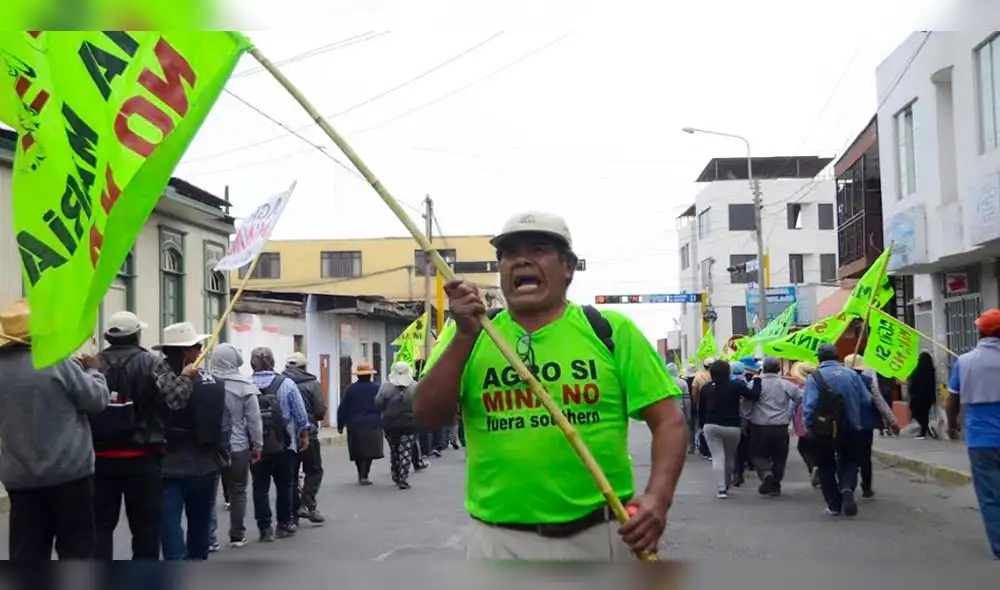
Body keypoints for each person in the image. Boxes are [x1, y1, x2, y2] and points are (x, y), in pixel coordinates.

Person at [414, 211, 687, 561]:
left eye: (538, 249)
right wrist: (465, 335)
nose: (521, 260)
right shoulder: (468, 333)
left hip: (599, 538)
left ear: (569, 267)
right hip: (498, 545)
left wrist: (658, 499)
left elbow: (669, 421)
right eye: (509, 254)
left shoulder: (611, 331)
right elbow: (427, 416)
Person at [0, 299, 110, 561]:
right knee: (77, 550)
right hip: (69, 474)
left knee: (27, 553)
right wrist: (94, 371)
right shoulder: (56, 362)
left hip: (20, 477)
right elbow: (97, 400)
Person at [92, 311, 195, 560]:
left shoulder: (94, 363)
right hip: (144, 456)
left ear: (108, 337)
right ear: (137, 335)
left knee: (100, 527)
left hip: (100, 458)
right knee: (146, 529)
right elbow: (176, 399)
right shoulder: (151, 362)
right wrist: (186, 378)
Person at [155, 323, 230, 560]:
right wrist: (224, 453)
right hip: (204, 463)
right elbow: (224, 422)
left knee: (168, 521)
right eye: (197, 346)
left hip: (165, 462)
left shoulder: (154, 380)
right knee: (200, 523)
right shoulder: (210, 382)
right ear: (186, 352)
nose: (200, 351)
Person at [946, 309, 1000, 560]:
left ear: (980, 331)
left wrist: (951, 425)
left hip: (981, 440)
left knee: (990, 496)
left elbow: (951, 399)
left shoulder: (965, 361)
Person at [249, 347, 312, 541]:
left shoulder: (247, 384)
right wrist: (304, 435)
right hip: (284, 443)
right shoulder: (287, 384)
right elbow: (300, 415)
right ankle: (283, 524)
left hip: (256, 445)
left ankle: (264, 528)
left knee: (260, 486)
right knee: (285, 484)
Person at [802, 343, 870, 518]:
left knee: (826, 466)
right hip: (851, 426)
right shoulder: (852, 374)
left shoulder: (815, 377)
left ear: (819, 358)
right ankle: (847, 488)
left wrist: (808, 426)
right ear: (836, 356)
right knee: (849, 461)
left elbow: (809, 406)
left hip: (824, 429)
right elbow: (866, 400)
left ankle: (834, 505)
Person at [209, 344, 263, 548]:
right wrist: (257, 445)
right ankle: (237, 535)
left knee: (210, 491)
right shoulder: (244, 386)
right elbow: (254, 420)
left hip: (211, 446)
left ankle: (210, 538)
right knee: (238, 491)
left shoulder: (205, 382)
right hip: (238, 446)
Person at [698, 360, 759, 498]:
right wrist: (757, 380)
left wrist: (702, 425)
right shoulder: (735, 386)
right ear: (728, 372)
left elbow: (700, 409)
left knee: (717, 457)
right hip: (732, 426)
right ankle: (727, 483)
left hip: (711, 425)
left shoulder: (706, 388)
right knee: (730, 457)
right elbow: (754, 395)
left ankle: (721, 489)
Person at [844, 354, 899, 499]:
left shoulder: (842, 381)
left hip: (847, 425)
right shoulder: (868, 382)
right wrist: (892, 421)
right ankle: (866, 488)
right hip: (865, 426)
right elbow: (880, 403)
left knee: (849, 456)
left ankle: (848, 485)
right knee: (865, 457)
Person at [283, 352, 327, 525]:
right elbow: (320, 410)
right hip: (309, 433)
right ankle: (307, 505)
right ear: (304, 367)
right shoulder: (312, 384)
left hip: (286, 436)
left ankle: (293, 513)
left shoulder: (280, 382)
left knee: (291, 475)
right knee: (314, 470)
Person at [747, 357, 801, 497]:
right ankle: (776, 485)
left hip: (759, 425)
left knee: (757, 454)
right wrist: (789, 413)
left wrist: (746, 417)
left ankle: (765, 473)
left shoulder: (754, 384)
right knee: (779, 457)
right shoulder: (786, 384)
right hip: (780, 426)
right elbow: (799, 399)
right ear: (778, 369)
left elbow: (747, 404)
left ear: (763, 368)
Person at [336, 362, 384, 485]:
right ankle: (365, 474)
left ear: (358, 376)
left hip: (355, 424)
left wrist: (340, 424)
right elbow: (382, 406)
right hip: (372, 424)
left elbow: (343, 408)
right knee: (370, 451)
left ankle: (361, 473)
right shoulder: (377, 388)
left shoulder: (350, 389)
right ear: (370, 375)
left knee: (358, 451)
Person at [375, 362, 421, 489]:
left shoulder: (386, 387)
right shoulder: (415, 387)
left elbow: (378, 404)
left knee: (394, 450)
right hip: (409, 424)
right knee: (406, 450)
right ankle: (403, 477)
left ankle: (395, 473)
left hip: (390, 424)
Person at [789, 362, 820, 487]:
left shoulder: (800, 388)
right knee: (816, 446)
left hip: (804, 419)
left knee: (803, 447)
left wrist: (790, 424)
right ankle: (817, 467)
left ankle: (813, 467)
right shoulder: (819, 385)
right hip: (819, 419)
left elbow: (792, 406)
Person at [908, 352, 939, 439]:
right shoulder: (931, 370)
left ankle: (924, 430)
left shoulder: (918, 370)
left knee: (916, 413)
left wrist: (911, 393)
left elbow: (913, 383)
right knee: (925, 414)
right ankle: (925, 429)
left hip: (918, 397)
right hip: (928, 397)